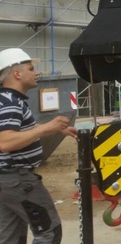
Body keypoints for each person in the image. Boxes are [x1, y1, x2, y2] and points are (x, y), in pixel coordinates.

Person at [0, 47, 77, 244]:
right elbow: (5, 141)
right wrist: (45, 129)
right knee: (49, 231)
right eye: (31, 68)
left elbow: (20, 130)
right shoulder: (10, 102)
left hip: (6, 182)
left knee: (11, 237)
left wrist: (54, 129)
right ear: (17, 74)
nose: (37, 73)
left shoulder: (7, 100)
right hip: (18, 180)